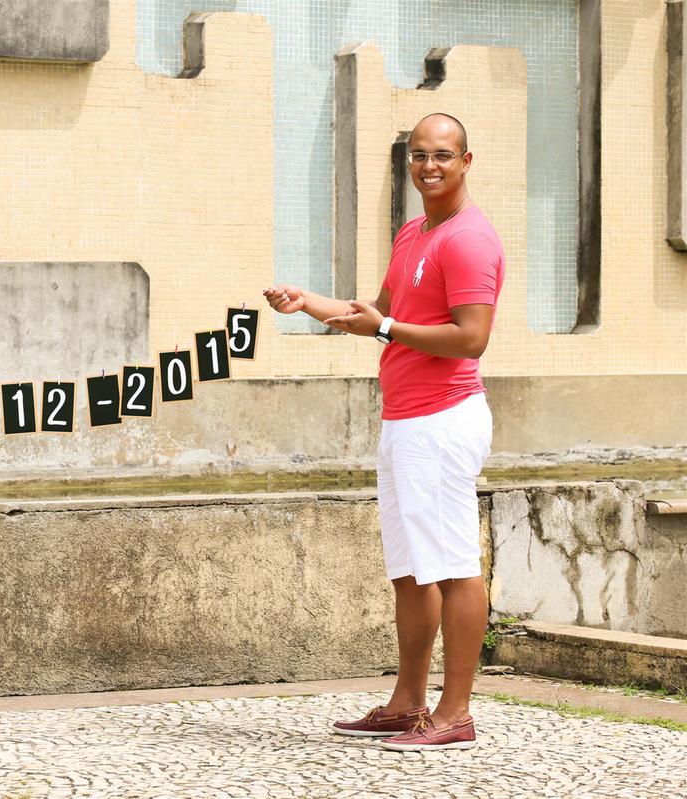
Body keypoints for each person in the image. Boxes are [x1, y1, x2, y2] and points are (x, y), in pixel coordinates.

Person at [265, 113, 504, 751]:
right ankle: (407, 703)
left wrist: (383, 329)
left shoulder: (469, 240)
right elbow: (381, 314)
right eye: (419, 156)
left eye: (443, 156)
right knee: (410, 570)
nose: (430, 167)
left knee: (452, 566)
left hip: (443, 420)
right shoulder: (412, 235)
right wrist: (312, 302)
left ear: (466, 160)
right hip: (404, 421)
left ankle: (455, 715)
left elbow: (470, 337)